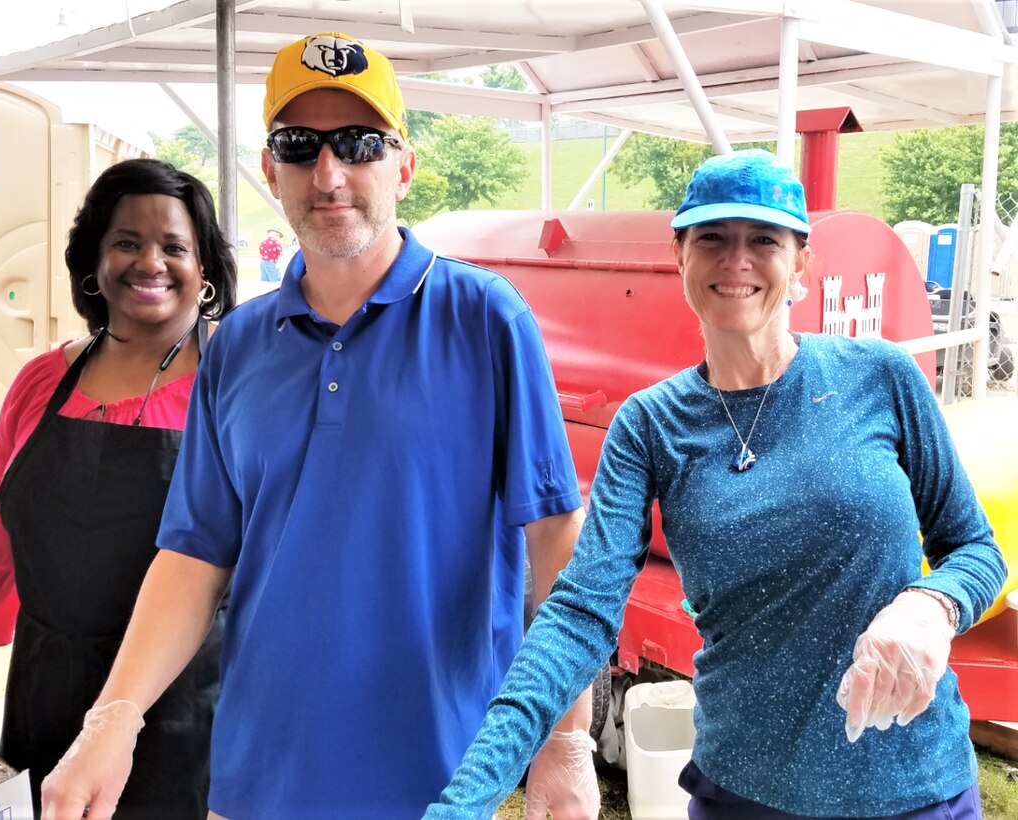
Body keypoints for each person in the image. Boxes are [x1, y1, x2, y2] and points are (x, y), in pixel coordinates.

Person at [40, 31, 599, 820]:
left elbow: (557, 542)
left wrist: (566, 739)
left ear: (403, 163)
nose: (329, 173)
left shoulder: (485, 320)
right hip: (257, 784)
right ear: (270, 170)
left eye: (359, 144)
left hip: (446, 785)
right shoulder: (236, 345)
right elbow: (194, 556)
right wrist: (114, 719)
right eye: (300, 146)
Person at [423, 149, 1007, 819]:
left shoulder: (881, 377)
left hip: (916, 789)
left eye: (763, 239)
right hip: (746, 796)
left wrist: (931, 604)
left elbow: (975, 549)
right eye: (712, 239)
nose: (737, 261)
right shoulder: (649, 425)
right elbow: (580, 613)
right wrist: (466, 800)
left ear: (802, 264)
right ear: (680, 257)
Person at [0, 157, 236, 817]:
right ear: (93, 259)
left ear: (204, 268)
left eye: (174, 246)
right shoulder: (42, 381)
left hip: (186, 714)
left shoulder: (235, 385)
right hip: (44, 695)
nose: (149, 261)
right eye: (127, 241)